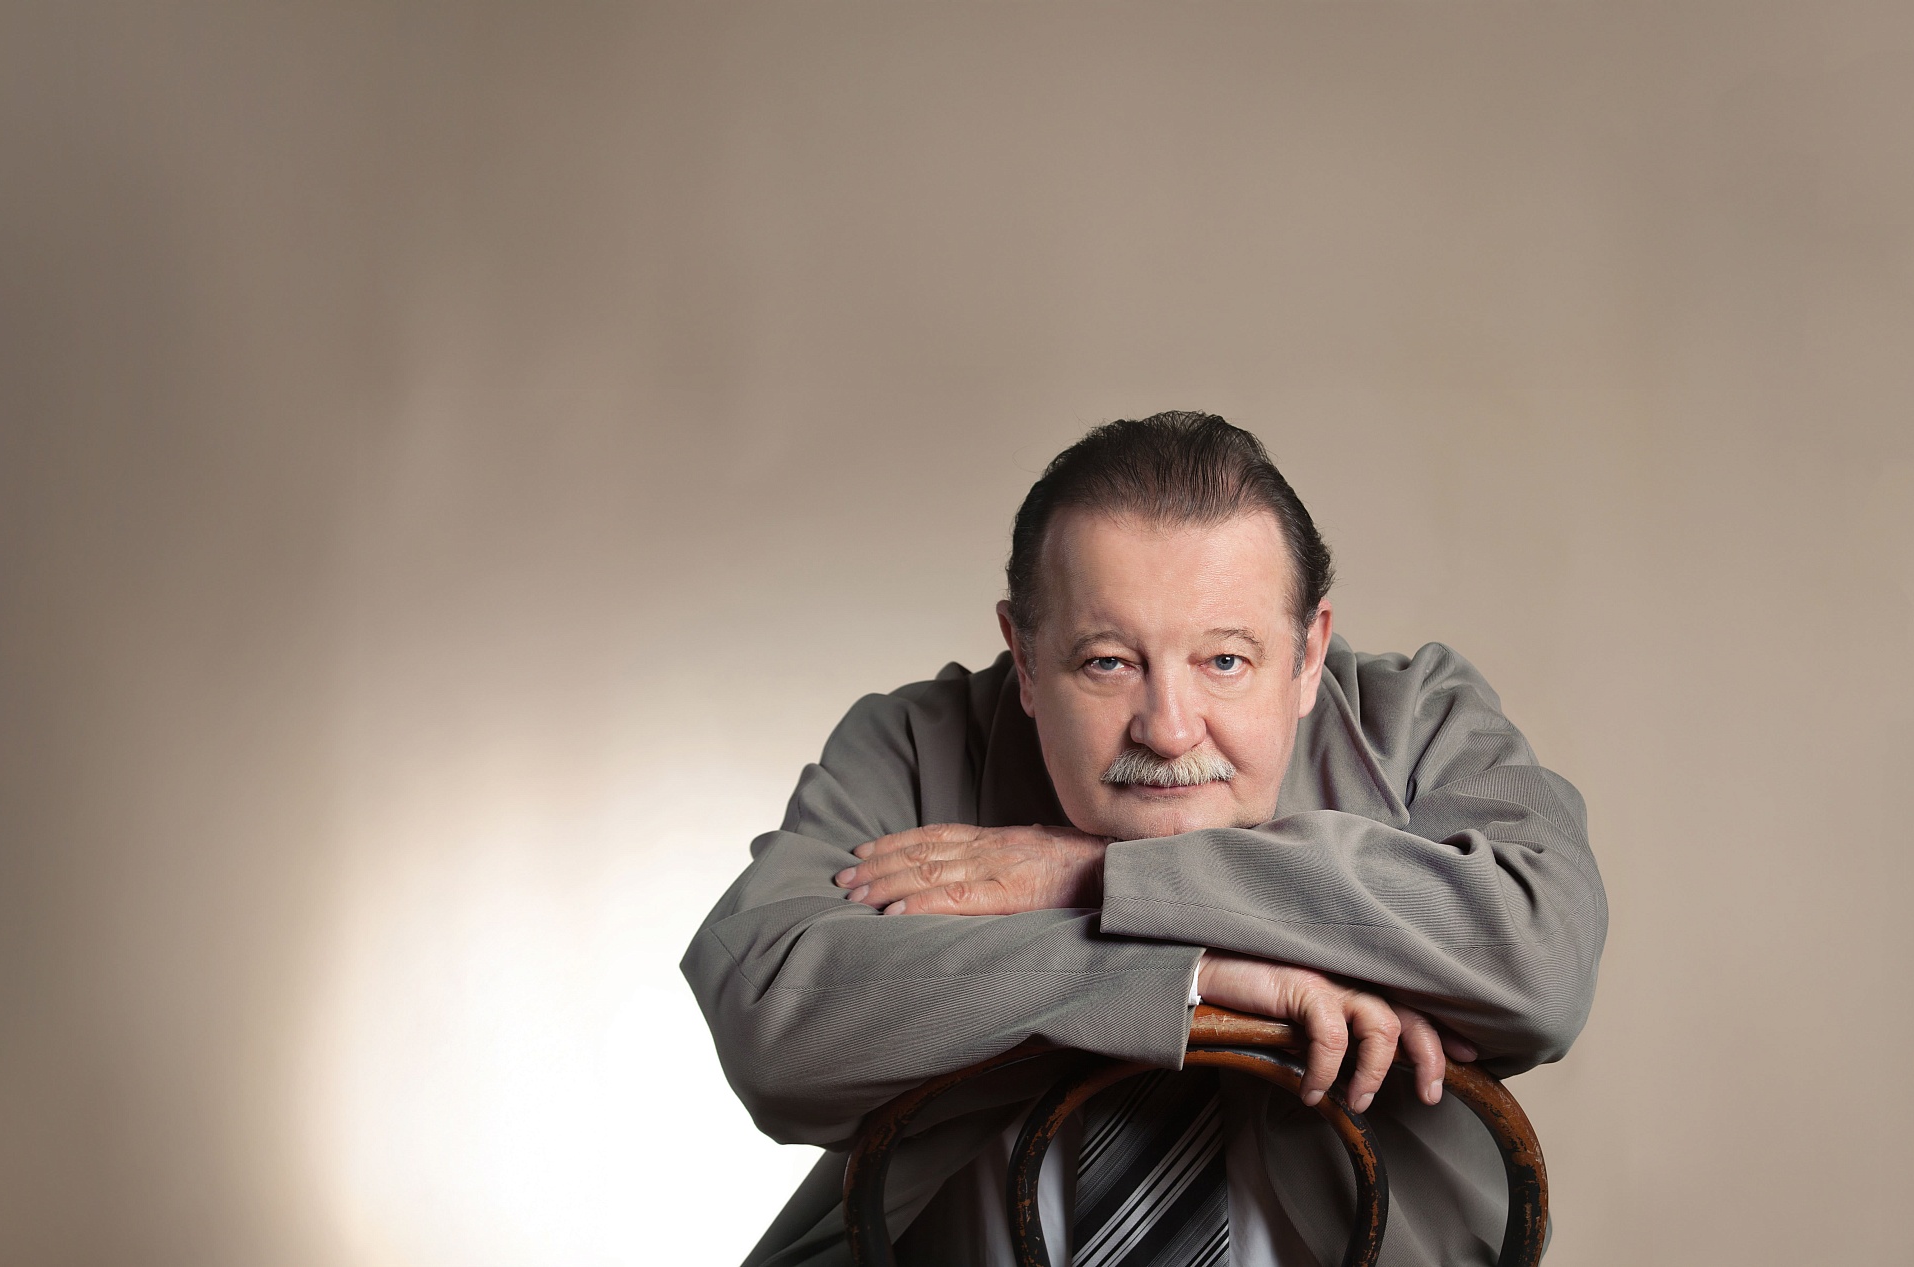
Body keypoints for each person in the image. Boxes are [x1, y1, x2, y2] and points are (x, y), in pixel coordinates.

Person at [683, 413, 1608, 1266]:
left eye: (1225, 659)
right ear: (1026, 657)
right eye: (1109, 662)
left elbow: (1541, 958)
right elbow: (772, 1019)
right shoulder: (912, 742)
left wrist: (1097, 874)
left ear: (1309, 652)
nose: (1167, 729)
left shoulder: (1420, 721)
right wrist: (1189, 977)